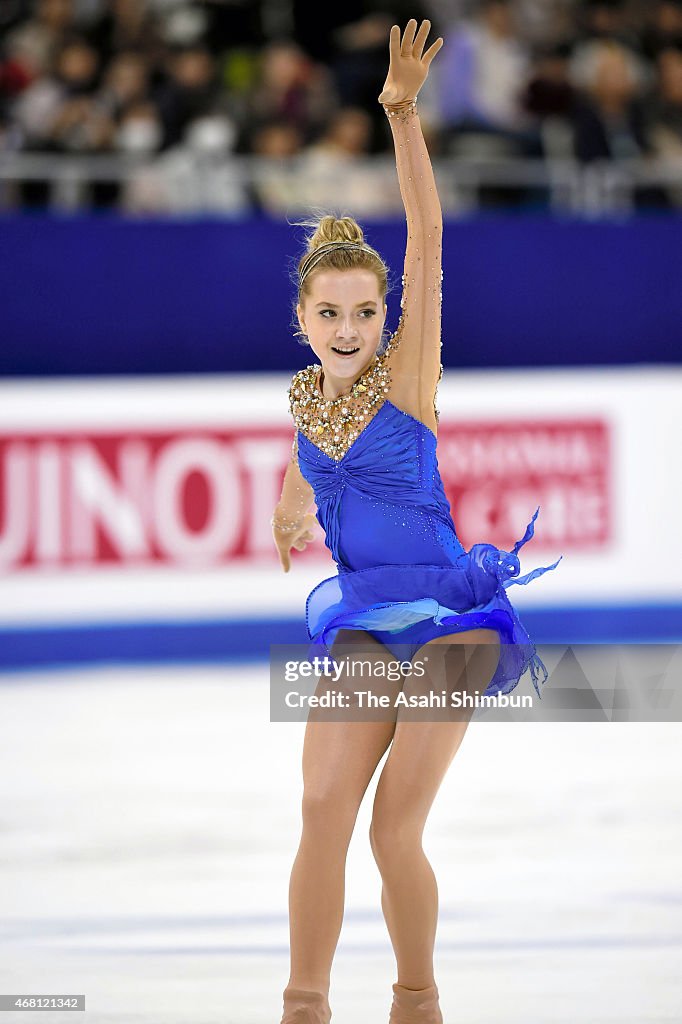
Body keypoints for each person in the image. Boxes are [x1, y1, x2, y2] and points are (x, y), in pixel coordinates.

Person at [271, 19, 561, 1024]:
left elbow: (428, 237)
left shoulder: (404, 376)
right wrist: (290, 499)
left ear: (383, 312)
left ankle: (415, 997)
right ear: (303, 319)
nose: (347, 330)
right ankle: (303, 1003)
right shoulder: (305, 396)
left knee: (395, 831)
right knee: (317, 809)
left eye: (362, 311)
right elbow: (311, 451)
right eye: (330, 315)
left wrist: (399, 117)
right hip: (360, 619)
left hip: (447, 624)